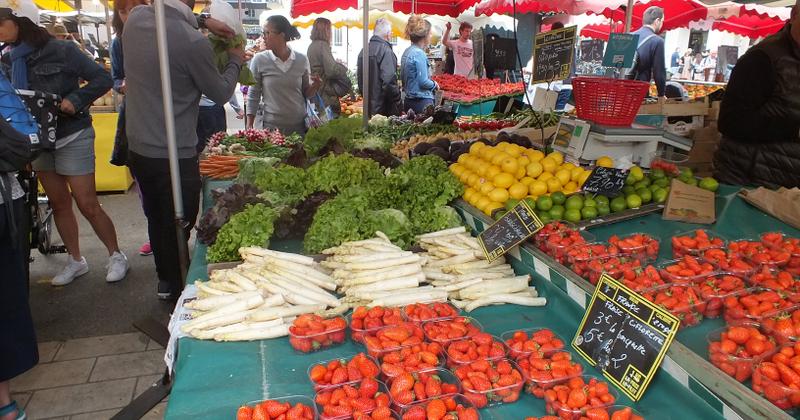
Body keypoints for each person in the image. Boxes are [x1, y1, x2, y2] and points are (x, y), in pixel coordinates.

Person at [0, 0, 129, 287]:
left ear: (21, 21)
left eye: (1, 21)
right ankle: (75, 259)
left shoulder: (63, 50)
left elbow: (102, 78)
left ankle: (116, 254)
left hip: (72, 133)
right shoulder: (7, 58)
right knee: (59, 203)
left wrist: (77, 100)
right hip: (36, 141)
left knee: (86, 202)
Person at [123, 0, 245, 299]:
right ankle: (179, 286)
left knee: (156, 216)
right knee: (181, 217)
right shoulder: (192, 43)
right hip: (174, 150)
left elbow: (167, 17)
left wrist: (202, 21)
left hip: (138, 145)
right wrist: (235, 61)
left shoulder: (135, 21)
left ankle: (166, 279)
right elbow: (219, 92)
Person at [713, 1, 800, 188]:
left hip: (787, 185)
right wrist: (794, 129)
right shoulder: (762, 58)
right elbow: (731, 121)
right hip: (749, 182)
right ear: (794, 15)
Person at [110, 0, 153, 257]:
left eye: (133, 8)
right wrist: (122, 85)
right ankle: (154, 234)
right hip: (133, 118)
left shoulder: (159, 39)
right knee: (143, 183)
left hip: (160, 118)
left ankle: (174, 234)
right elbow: (115, 78)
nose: (128, 15)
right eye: (123, 11)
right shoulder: (118, 43)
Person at [246, 15, 321, 136]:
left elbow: (306, 93)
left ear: (282, 35)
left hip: (299, 128)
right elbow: (253, 94)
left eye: (267, 33)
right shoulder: (259, 60)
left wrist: (316, 85)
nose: (263, 37)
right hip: (271, 128)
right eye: (263, 33)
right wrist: (249, 125)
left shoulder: (301, 60)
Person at [357, 17, 401, 117]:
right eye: (391, 33)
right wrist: (398, 101)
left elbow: (360, 82)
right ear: (388, 34)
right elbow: (389, 82)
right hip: (384, 109)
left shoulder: (363, 50)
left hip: (368, 108)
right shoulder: (386, 51)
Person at [307, 17, 348, 116]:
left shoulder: (312, 46)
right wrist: (342, 67)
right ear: (326, 30)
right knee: (330, 123)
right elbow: (331, 71)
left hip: (316, 92)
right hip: (325, 93)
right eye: (330, 29)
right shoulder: (322, 45)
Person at [401, 15, 437, 114]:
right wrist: (435, 84)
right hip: (421, 101)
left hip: (409, 100)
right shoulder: (419, 53)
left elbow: (403, 79)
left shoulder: (407, 51)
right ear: (424, 36)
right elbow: (423, 82)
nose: (430, 36)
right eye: (430, 34)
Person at [629, 6, 666, 98]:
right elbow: (659, 73)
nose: (662, 24)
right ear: (657, 21)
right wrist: (661, 94)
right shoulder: (657, 41)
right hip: (639, 92)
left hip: (620, 89)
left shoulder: (628, 36)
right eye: (662, 21)